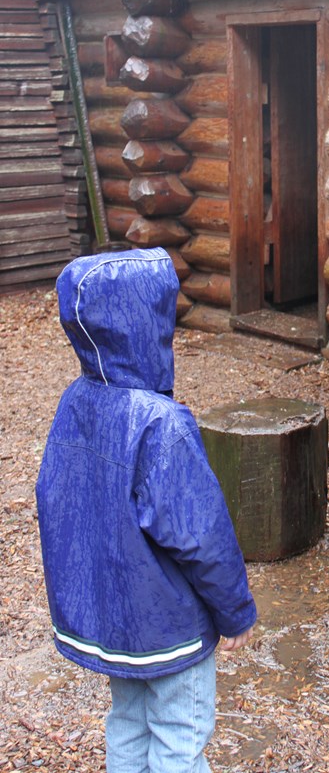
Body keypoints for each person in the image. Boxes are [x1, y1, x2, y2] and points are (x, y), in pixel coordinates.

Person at [36, 247, 256, 772]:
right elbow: (201, 535)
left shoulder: (76, 401)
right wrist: (236, 611)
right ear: (144, 324)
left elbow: (57, 503)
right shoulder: (161, 423)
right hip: (170, 626)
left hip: (117, 625)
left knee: (128, 724)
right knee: (181, 737)